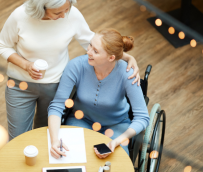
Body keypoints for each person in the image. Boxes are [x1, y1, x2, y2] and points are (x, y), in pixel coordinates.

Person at [0, 0, 141, 140]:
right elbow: (2, 45)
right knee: (17, 138)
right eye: (57, 12)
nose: (64, 16)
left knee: (44, 136)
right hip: (20, 86)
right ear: (42, 7)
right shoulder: (20, 16)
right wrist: (26, 65)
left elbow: (92, 43)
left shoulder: (71, 15)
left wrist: (127, 58)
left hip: (55, 86)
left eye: (67, 9)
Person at [48, 29, 150, 158]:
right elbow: (57, 105)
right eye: (90, 45)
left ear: (111, 57)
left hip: (116, 125)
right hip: (81, 120)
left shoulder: (128, 74)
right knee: (70, 157)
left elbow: (143, 118)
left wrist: (117, 141)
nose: (88, 52)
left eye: (95, 51)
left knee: (116, 162)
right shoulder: (76, 66)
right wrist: (54, 140)